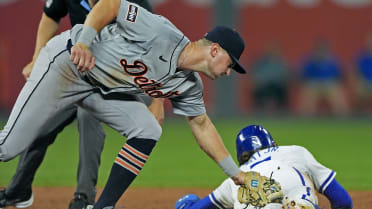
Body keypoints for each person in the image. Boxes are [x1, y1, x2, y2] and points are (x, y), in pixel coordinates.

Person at [0, 0, 248, 209]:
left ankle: (104, 206)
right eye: (230, 64)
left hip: (99, 91)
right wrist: (84, 42)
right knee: (7, 148)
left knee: (148, 129)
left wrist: (235, 173)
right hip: (67, 66)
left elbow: (202, 125)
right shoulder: (161, 32)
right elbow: (111, 4)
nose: (229, 72)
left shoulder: (190, 85)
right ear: (215, 51)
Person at [0, 1, 160, 209]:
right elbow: (50, 15)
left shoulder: (133, 3)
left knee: (88, 118)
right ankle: (19, 190)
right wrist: (36, 56)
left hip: (107, 80)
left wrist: (157, 100)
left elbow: (155, 46)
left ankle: (84, 198)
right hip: (72, 71)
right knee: (39, 125)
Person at [174, 125, 353, 209]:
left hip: (246, 197)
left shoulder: (235, 178)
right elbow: (343, 201)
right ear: (272, 144)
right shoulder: (296, 153)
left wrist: (186, 202)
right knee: (300, 202)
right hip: (294, 198)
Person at [298, 40, 350, 116]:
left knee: (338, 94)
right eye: (320, 49)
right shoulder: (310, 60)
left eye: (323, 49)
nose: (322, 51)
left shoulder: (333, 61)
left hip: (329, 84)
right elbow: (303, 74)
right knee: (307, 95)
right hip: (314, 84)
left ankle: (342, 116)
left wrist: (336, 82)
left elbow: (340, 74)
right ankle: (305, 117)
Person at [251, 42, 290, 114]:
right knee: (262, 89)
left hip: (278, 86)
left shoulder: (281, 63)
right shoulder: (261, 63)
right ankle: (262, 111)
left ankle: (281, 112)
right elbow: (256, 76)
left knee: (281, 89)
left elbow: (286, 76)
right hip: (264, 86)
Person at [354, 33, 372, 114]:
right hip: (365, 83)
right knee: (359, 90)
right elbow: (356, 71)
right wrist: (362, 81)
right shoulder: (361, 56)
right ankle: (359, 114)